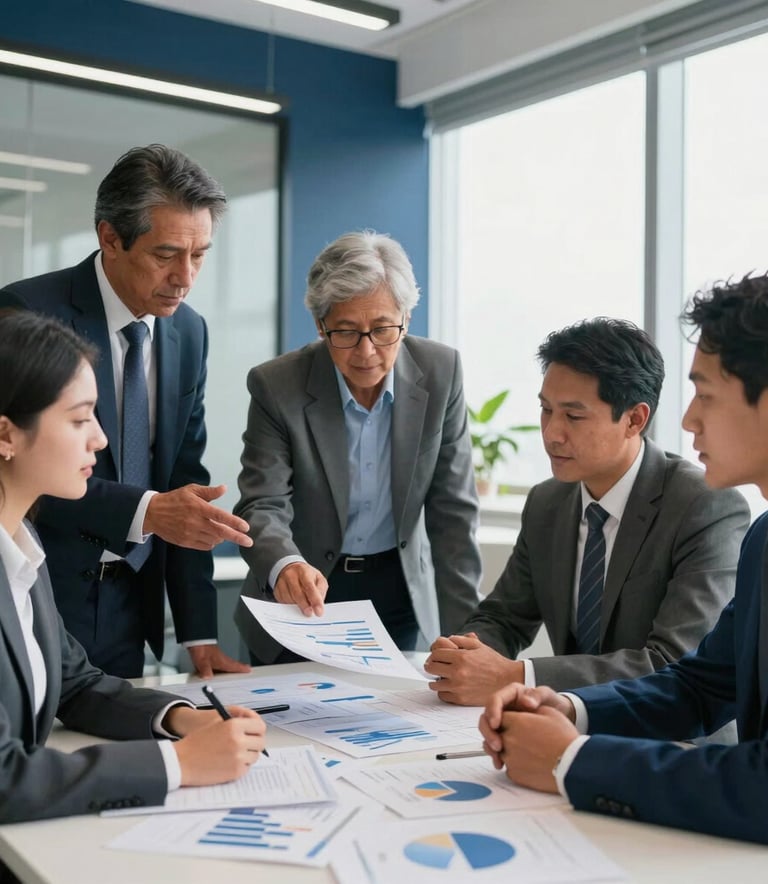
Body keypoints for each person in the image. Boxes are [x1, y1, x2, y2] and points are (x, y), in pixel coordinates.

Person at [478, 274, 768, 845]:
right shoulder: (763, 540)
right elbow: (700, 688)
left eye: (706, 394)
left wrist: (573, 761)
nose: (687, 420)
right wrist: (566, 707)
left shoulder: (711, 509)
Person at [0, 310, 265, 826]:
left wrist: (181, 719)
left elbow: (75, 683)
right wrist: (177, 765)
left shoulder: (21, 541)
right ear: (6, 434)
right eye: (79, 419)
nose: (100, 438)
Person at [0, 144, 253, 679]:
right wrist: (147, 511)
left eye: (201, 254)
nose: (186, 277)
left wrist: (199, 635)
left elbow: (186, 482)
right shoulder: (25, 313)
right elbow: (16, 468)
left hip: (132, 613)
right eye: (166, 255)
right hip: (40, 599)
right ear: (109, 238)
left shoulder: (189, 330)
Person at [426, 318, 749, 706]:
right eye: (546, 410)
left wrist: (518, 675)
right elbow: (503, 617)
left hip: (675, 746)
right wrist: (465, 653)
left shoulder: (704, 506)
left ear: (634, 419)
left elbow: (673, 664)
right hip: (567, 729)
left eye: (573, 416)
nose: (551, 433)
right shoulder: (548, 502)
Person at [234, 230, 482, 663]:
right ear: (320, 325)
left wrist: (469, 639)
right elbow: (262, 504)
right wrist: (286, 566)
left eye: (383, 329)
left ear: (405, 317)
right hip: (303, 591)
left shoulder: (441, 372)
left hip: (398, 589)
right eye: (346, 332)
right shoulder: (278, 385)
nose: (366, 351)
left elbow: (454, 515)